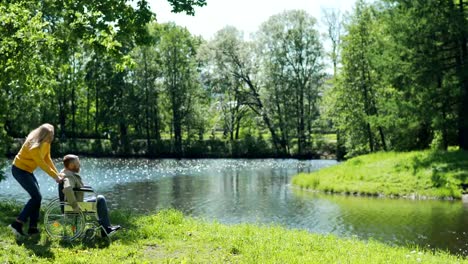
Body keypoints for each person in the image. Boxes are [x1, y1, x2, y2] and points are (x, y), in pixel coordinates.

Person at [8, 123, 64, 237]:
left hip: (28, 171)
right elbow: (41, 164)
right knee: (36, 197)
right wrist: (55, 176)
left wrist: (57, 174)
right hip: (19, 170)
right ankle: (17, 224)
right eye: (51, 135)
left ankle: (32, 228)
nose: (52, 137)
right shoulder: (32, 145)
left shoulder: (46, 143)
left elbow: (47, 159)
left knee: (37, 198)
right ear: (43, 135)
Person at [61, 154, 121, 237]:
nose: (79, 165)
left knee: (98, 199)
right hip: (74, 204)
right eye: (78, 163)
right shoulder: (68, 176)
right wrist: (75, 206)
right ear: (71, 165)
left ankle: (105, 228)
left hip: (77, 201)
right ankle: (106, 229)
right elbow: (67, 189)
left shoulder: (67, 173)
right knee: (100, 199)